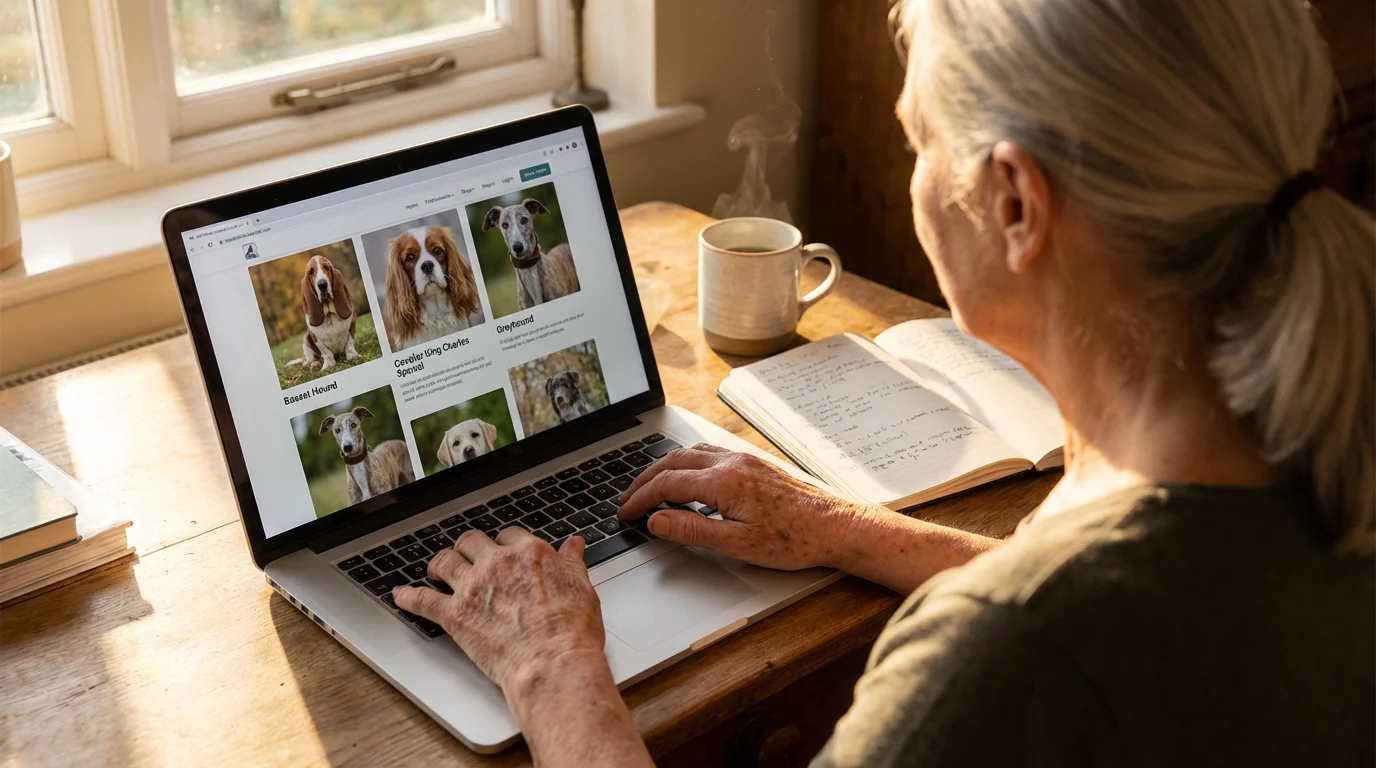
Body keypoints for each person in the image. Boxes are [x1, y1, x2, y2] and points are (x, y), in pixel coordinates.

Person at [395, 0, 1375, 764]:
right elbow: (1159, 619)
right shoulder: (1318, 443)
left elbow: (1075, 630)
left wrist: (556, 675)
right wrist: (842, 527)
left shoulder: (1000, 658)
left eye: (918, 140)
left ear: (1014, 203)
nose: (914, 174)